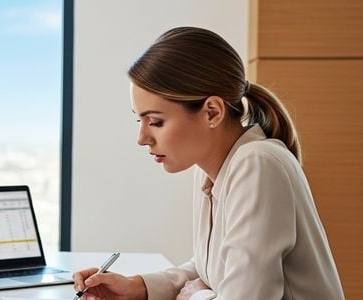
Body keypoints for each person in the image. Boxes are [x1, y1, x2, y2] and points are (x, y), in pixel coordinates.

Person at [72, 27, 344, 299]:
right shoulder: (210, 169)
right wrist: (137, 287)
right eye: (139, 120)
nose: (142, 138)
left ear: (212, 112)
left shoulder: (258, 164)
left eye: (155, 122)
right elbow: (208, 269)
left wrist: (193, 295)